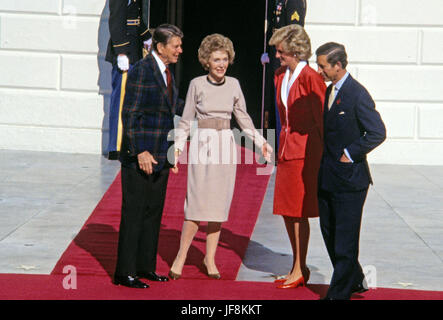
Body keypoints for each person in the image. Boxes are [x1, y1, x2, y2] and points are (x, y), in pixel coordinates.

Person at [169, 34, 272, 280]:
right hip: (202, 144)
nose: (221, 64)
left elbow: (243, 117)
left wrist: (261, 142)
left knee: (217, 206)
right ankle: (181, 255)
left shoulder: (234, 84)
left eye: (224, 59)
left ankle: (210, 258)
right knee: (195, 204)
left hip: (225, 146)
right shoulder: (196, 84)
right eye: (216, 59)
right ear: (206, 60)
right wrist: (177, 150)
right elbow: (185, 120)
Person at [113, 24, 184, 289]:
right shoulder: (142, 71)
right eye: (176, 45)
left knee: (153, 212)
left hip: (160, 153)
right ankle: (125, 272)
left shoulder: (166, 72)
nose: (179, 50)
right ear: (161, 47)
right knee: (134, 212)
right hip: (140, 155)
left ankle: (145, 267)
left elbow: (172, 105)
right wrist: (139, 150)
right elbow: (130, 113)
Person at [315, 42, 386, 300]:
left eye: (322, 66)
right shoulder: (329, 91)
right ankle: (354, 279)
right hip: (328, 176)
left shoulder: (357, 94)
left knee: (345, 239)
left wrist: (350, 153)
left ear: (338, 65)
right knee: (329, 232)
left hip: (350, 180)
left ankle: (339, 293)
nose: (319, 70)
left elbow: (377, 132)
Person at [269, 24, 326, 289]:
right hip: (286, 149)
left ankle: (298, 268)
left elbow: (320, 120)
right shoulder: (280, 75)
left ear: (296, 51)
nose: (277, 56)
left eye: (282, 52)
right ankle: (298, 265)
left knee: (298, 211)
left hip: (306, 152)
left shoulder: (311, 78)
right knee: (286, 211)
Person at [105, 0, 152, 160]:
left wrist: (146, 35)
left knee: (131, 100)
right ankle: (116, 147)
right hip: (125, 51)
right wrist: (121, 51)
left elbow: (135, 16)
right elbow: (116, 20)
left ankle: (127, 143)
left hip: (134, 48)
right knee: (121, 101)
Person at [261, 0, 307, 148]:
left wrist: (281, 52)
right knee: (275, 101)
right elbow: (273, 27)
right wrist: (268, 50)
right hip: (277, 56)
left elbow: (293, 33)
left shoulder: (294, 2)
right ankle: (276, 145)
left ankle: (283, 146)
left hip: (287, 57)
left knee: (285, 103)